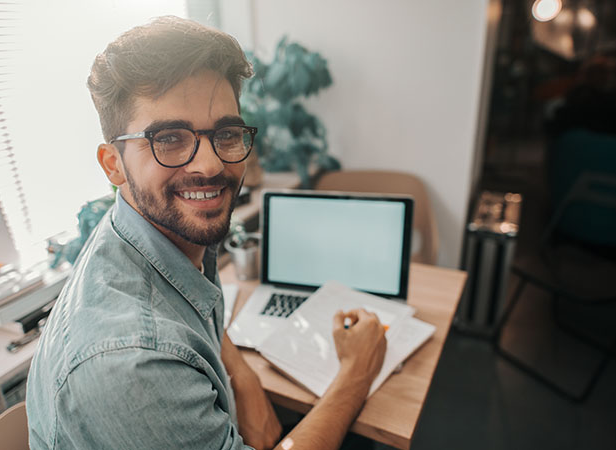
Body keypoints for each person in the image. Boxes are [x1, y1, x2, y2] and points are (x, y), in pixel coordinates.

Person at [26, 16, 387, 450]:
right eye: (170, 138)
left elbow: (192, 307)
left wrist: (245, 380)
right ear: (113, 165)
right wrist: (356, 372)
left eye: (226, 133)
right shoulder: (130, 368)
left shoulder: (157, 234)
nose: (211, 165)